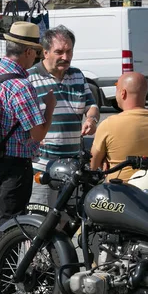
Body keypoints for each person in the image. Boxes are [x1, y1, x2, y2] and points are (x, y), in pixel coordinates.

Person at [0, 22, 56, 294]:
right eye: (35, 52)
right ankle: (6, 293)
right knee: (12, 227)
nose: (36, 57)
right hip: (15, 163)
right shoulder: (20, 85)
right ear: (25, 52)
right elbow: (37, 132)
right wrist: (49, 108)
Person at [28, 25, 100, 206]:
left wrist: (91, 119)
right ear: (45, 52)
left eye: (69, 51)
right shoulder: (30, 78)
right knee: (41, 220)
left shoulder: (77, 75)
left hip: (72, 167)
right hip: (42, 167)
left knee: (67, 223)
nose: (65, 57)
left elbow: (91, 105)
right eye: (59, 52)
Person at [90, 72, 148, 183]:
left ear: (123, 93)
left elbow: (93, 164)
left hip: (120, 192)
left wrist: (104, 159)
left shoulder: (109, 124)